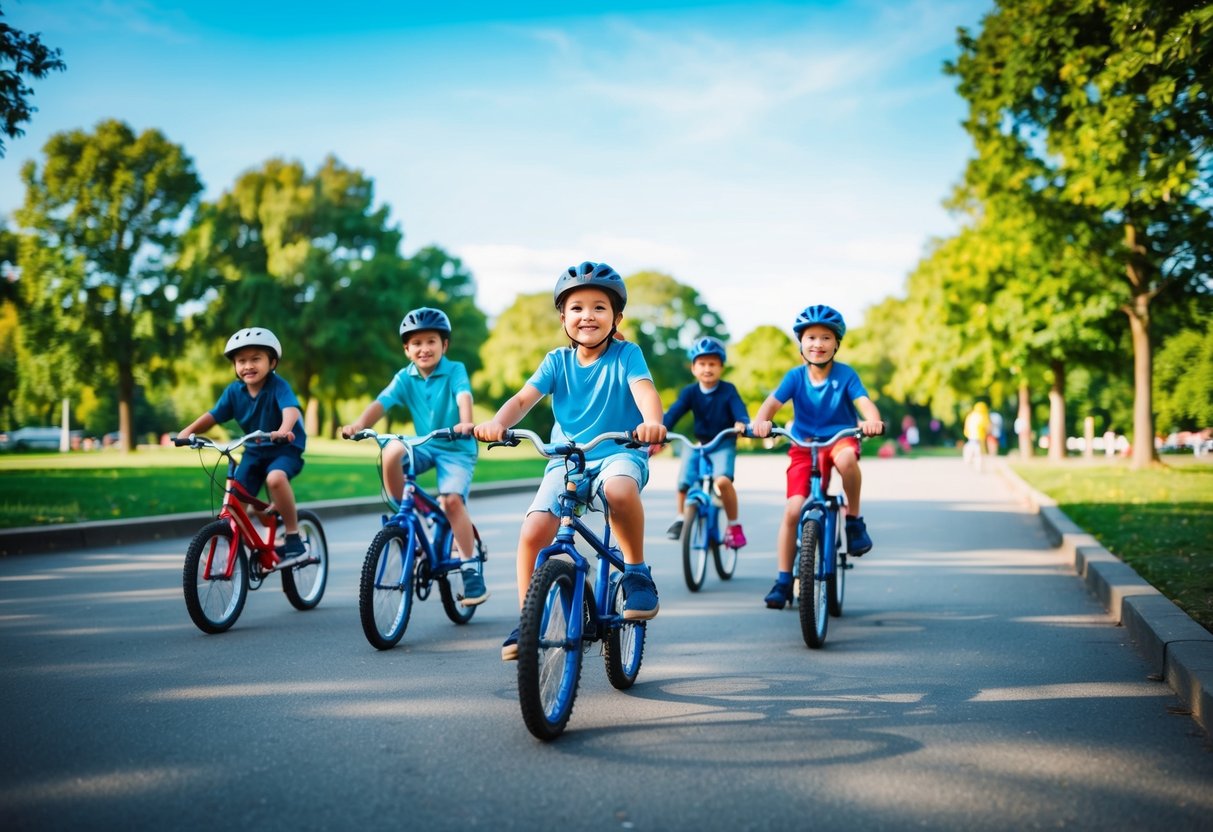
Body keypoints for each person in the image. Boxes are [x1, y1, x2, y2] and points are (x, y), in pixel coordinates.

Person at [474, 261, 667, 661]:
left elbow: (645, 392)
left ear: (616, 318)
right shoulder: (556, 361)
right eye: (577, 307)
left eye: (599, 307)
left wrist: (652, 423)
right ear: (563, 317)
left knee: (618, 490)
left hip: (618, 451)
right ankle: (530, 617)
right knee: (533, 532)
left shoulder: (627, 355)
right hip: (567, 459)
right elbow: (524, 399)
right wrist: (497, 423)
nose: (588, 315)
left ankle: (635, 570)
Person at [340, 307, 487, 606]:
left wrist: (466, 422)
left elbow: (464, 396)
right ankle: (406, 514)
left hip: (456, 446)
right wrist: (359, 425)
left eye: (431, 341)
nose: (424, 348)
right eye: (416, 343)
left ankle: (470, 566)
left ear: (444, 345)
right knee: (392, 448)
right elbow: (382, 402)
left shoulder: (455, 369)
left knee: (451, 501)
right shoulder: (404, 377)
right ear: (407, 350)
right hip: (426, 443)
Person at [748, 304, 883, 609]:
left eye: (825, 338)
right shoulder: (795, 377)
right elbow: (770, 405)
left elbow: (865, 404)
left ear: (836, 344)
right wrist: (761, 422)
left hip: (839, 438)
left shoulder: (846, 375)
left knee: (848, 461)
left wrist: (872, 421)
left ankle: (853, 521)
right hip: (804, 443)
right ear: (801, 343)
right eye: (811, 337)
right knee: (793, 510)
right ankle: (783, 579)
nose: (817, 344)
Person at [178, 327, 310, 566]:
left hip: (284, 448)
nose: (248, 365)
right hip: (255, 450)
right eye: (241, 361)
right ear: (235, 366)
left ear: (272, 363)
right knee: (238, 495)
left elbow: (291, 410)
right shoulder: (234, 392)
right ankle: (256, 538)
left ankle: (292, 537)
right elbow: (214, 415)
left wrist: (284, 429)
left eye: (255, 359)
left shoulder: (277, 386)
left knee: (275, 479)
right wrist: (189, 431)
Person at [659, 336, 750, 548]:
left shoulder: (728, 390)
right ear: (693, 368)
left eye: (712, 364)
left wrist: (742, 422)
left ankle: (733, 525)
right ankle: (681, 517)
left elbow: (739, 409)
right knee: (684, 482)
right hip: (700, 443)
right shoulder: (690, 392)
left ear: (721, 367)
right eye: (702, 364)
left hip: (723, 443)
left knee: (722, 482)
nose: (707, 368)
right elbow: (674, 413)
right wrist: (661, 428)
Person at [963, 402, 991, 471]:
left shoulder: (971, 415)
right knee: (979, 454)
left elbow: (966, 426)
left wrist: (967, 432)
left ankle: (968, 460)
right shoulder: (983, 416)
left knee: (969, 448)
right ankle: (979, 467)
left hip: (971, 437)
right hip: (979, 438)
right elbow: (986, 427)